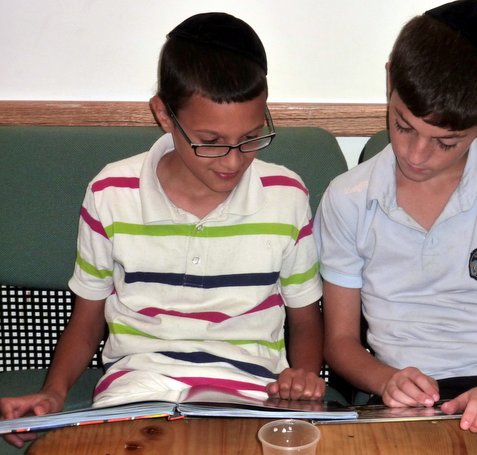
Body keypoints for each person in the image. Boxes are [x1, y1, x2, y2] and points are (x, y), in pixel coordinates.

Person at [1, 12, 324, 449]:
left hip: (251, 391)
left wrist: (301, 377)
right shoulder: (111, 192)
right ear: (164, 115)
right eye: (210, 142)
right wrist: (53, 394)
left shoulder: (286, 195)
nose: (232, 161)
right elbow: (88, 314)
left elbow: (304, 317)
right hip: (136, 387)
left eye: (251, 138)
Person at [314, 0, 477, 436]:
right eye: (403, 126)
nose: (415, 155)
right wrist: (386, 380)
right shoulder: (348, 198)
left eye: (446, 143)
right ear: (388, 80)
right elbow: (340, 342)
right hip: (412, 401)